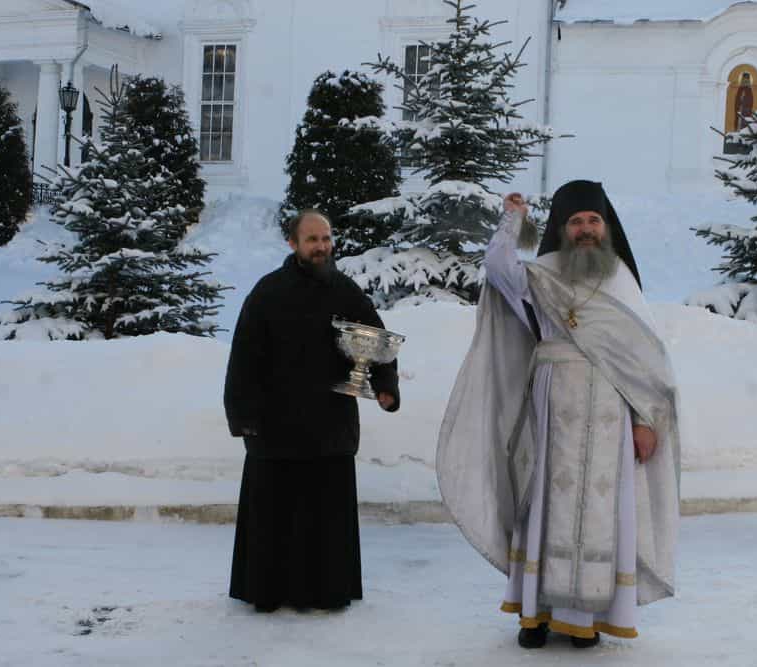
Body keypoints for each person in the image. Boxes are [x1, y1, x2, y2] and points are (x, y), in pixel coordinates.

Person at [437, 180, 681, 649]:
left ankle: (585, 618)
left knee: (600, 514)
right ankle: (535, 617)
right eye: (576, 222)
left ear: (605, 227)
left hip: (612, 411)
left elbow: (646, 361)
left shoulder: (622, 282)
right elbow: (498, 269)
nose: (586, 229)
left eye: (593, 220)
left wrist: (645, 420)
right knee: (541, 503)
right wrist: (511, 220)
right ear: (562, 229)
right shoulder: (542, 272)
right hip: (551, 409)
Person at [224, 209, 400, 613]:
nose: (321, 247)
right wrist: (243, 415)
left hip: (330, 426)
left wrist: (386, 387)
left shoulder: (346, 290)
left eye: (325, 239)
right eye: (312, 240)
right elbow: (244, 358)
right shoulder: (267, 292)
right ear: (293, 244)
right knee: (275, 516)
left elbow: (377, 340)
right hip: (275, 427)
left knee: (326, 517)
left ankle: (327, 592)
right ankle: (268, 592)